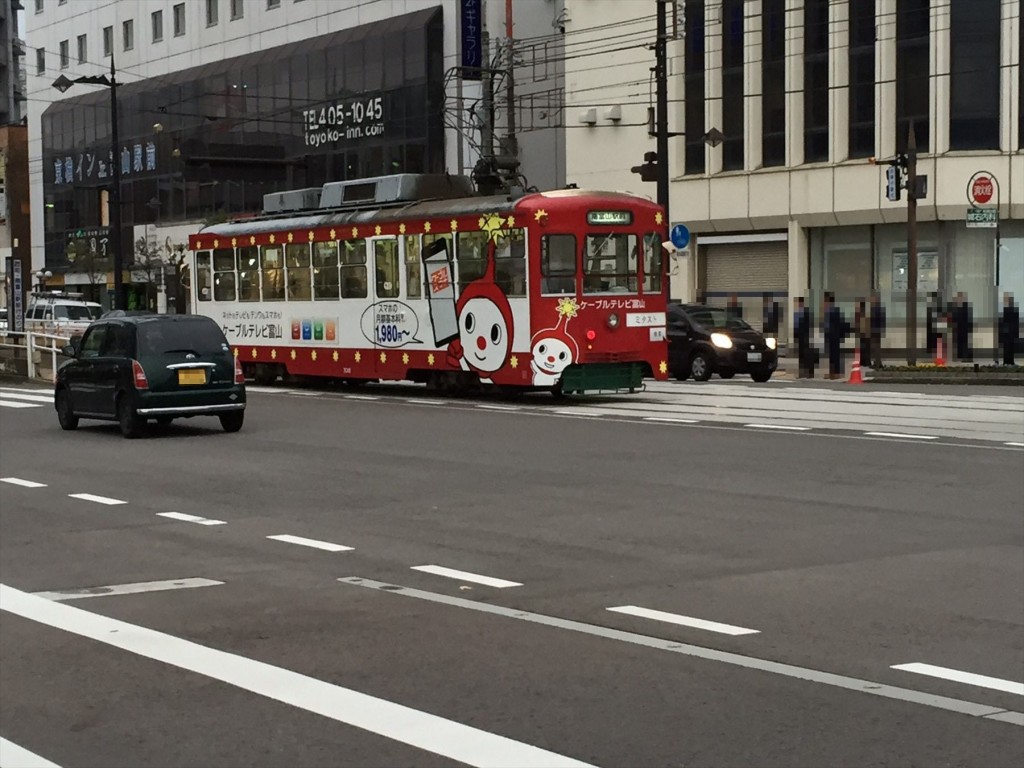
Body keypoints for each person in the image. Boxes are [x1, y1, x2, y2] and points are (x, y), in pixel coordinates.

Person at [823, 292, 849, 379]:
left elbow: (840, 324)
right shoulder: (825, 311)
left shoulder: (835, 311)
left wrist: (841, 335)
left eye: (825, 301)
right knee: (830, 355)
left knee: (835, 355)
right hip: (828, 336)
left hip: (834, 336)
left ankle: (837, 372)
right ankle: (831, 372)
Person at [793, 296, 814, 379]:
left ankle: (809, 372)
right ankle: (802, 372)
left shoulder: (807, 313)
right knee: (801, 355)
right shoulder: (796, 313)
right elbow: (795, 326)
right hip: (799, 336)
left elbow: (809, 325)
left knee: (807, 354)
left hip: (805, 336)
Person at [999, 293, 1019, 366]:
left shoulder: (1008, 310)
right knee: (1008, 349)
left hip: (1008, 333)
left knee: (1008, 349)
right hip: (1008, 333)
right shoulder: (1009, 310)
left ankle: (1008, 362)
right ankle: (1008, 362)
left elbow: (1005, 321)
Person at [953, 291, 973, 362]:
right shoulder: (957, 306)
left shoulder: (965, 307)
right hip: (959, 329)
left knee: (965, 343)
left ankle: (966, 357)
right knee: (960, 343)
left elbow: (964, 318)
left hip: (964, 329)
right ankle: (961, 355)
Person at [869, 291, 886, 369]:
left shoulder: (876, 309)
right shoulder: (878, 308)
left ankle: (877, 363)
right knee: (876, 348)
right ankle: (877, 362)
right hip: (876, 330)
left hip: (875, 330)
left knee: (876, 348)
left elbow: (876, 321)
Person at [855, 299, 871, 368]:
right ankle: (865, 361)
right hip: (865, 334)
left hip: (863, 334)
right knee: (865, 349)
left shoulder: (860, 315)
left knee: (864, 348)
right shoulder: (864, 314)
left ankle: (864, 361)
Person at [926, 291, 940, 356]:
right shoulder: (932, 306)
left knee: (934, 339)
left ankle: (932, 351)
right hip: (933, 325)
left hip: (933, 325)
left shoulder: (931, 306)